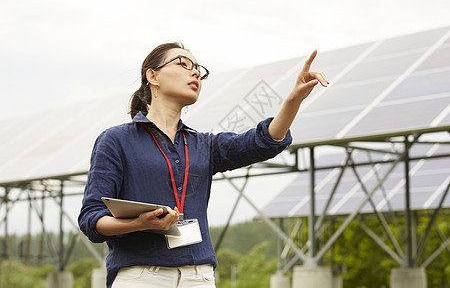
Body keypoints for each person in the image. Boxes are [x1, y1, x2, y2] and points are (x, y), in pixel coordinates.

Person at [78, 42, 328, 288]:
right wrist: (140, 223)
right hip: (143, 277)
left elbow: (261, 142)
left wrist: (294, 99)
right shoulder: (116, 141)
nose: (196, 72)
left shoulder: (203, 145)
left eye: (199, 68)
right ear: (152, 76)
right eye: (183, 64)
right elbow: (92, 219)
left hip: (199, 278)